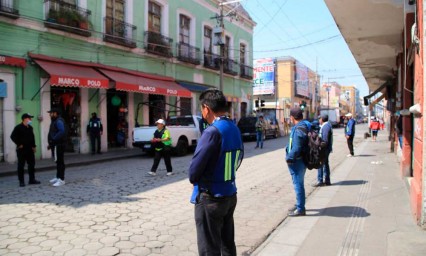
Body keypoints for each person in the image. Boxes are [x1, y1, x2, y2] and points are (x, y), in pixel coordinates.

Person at [188, 89, 244, 255]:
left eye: (201, 109)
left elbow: (194, 171)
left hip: (211, 197)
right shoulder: (233, 128)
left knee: (209, 249)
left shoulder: (212, 132)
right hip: (230, 194)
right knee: (227, 245)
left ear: (206, 108)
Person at [286, 107, 310, 217]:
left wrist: (289, 157)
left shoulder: (299, 128)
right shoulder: (303, 125)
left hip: (297, 161)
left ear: (292, 117)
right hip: (300, 159)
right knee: (298, 183)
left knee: (298, 184)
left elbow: (297, 147)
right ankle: (299, 204)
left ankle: (300, 208)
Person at [10, 113, 41, 187]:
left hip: (30, 150)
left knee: (31, 165)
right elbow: (12, 136)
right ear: (24, 119)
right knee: (21, 166)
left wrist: (34, 146)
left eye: (31, 118)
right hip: (22, 150)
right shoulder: (18, 127)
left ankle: (32, 179)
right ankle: (21, 181)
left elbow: (32, 138)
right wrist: (19, 144)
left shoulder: (30, 127)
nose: (30, 120)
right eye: (29, 118)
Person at [47, 108, 67, 187]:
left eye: (51, 113)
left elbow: (61, 131)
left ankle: (61, 179)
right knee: (58, 162)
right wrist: (50, 143)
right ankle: (58, 177)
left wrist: (53, 139)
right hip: (56, 144)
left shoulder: (59, 121)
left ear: (55, 113)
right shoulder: (55, 121)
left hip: (59, 145)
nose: (50, 114)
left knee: (60, 162)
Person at [313, 114, 333, 187]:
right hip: (326, 149)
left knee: (320, 164)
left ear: (322, 119)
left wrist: (319, 146)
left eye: (319, 119)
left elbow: (325, 140)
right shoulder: (326, 125)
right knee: (325, 164)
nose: (319, 120)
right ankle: (327, 180)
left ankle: (320, 180)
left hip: (324, 149)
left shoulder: (326, 126)